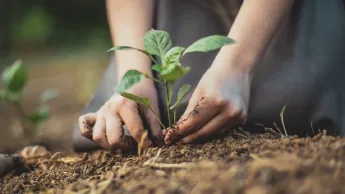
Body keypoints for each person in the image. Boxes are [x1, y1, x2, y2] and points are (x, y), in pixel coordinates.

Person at [73, 0, 345, 152]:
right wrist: (134, 75)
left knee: (295, 97)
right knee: (136, 112)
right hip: (174, 10)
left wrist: (237, 66)